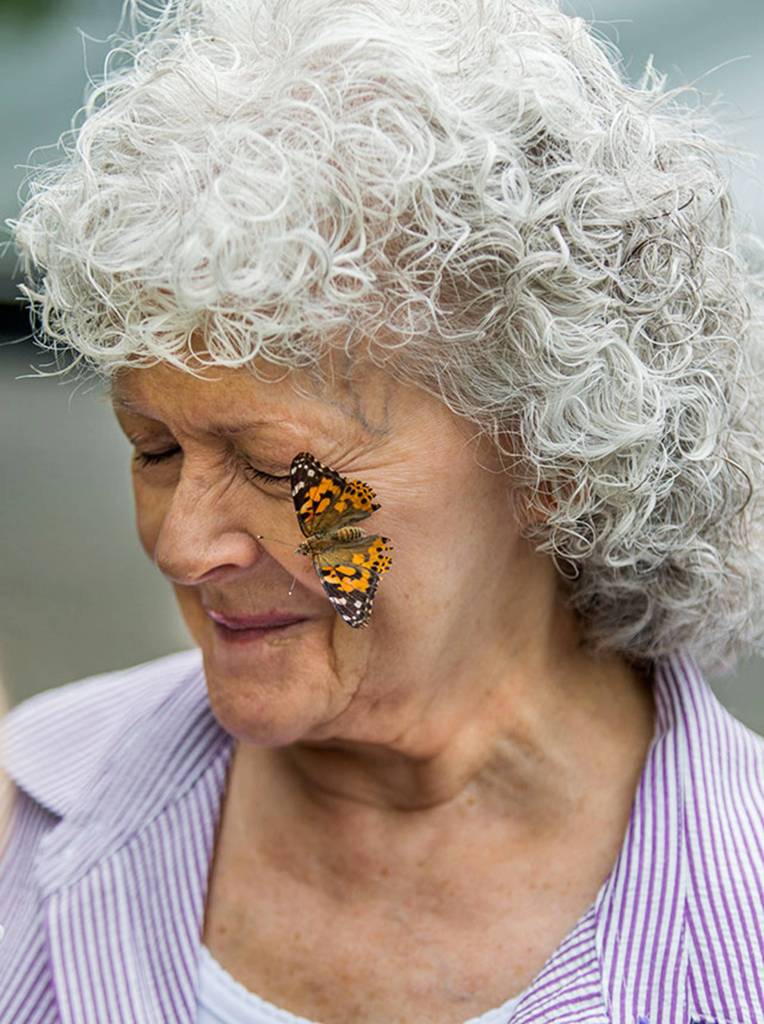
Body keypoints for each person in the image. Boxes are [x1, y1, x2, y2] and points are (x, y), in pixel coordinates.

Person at [2, 0, 763, 1021]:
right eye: (155, 449)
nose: (182, 544)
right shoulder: (28, 820)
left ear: (554, 458)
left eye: (276, 469)